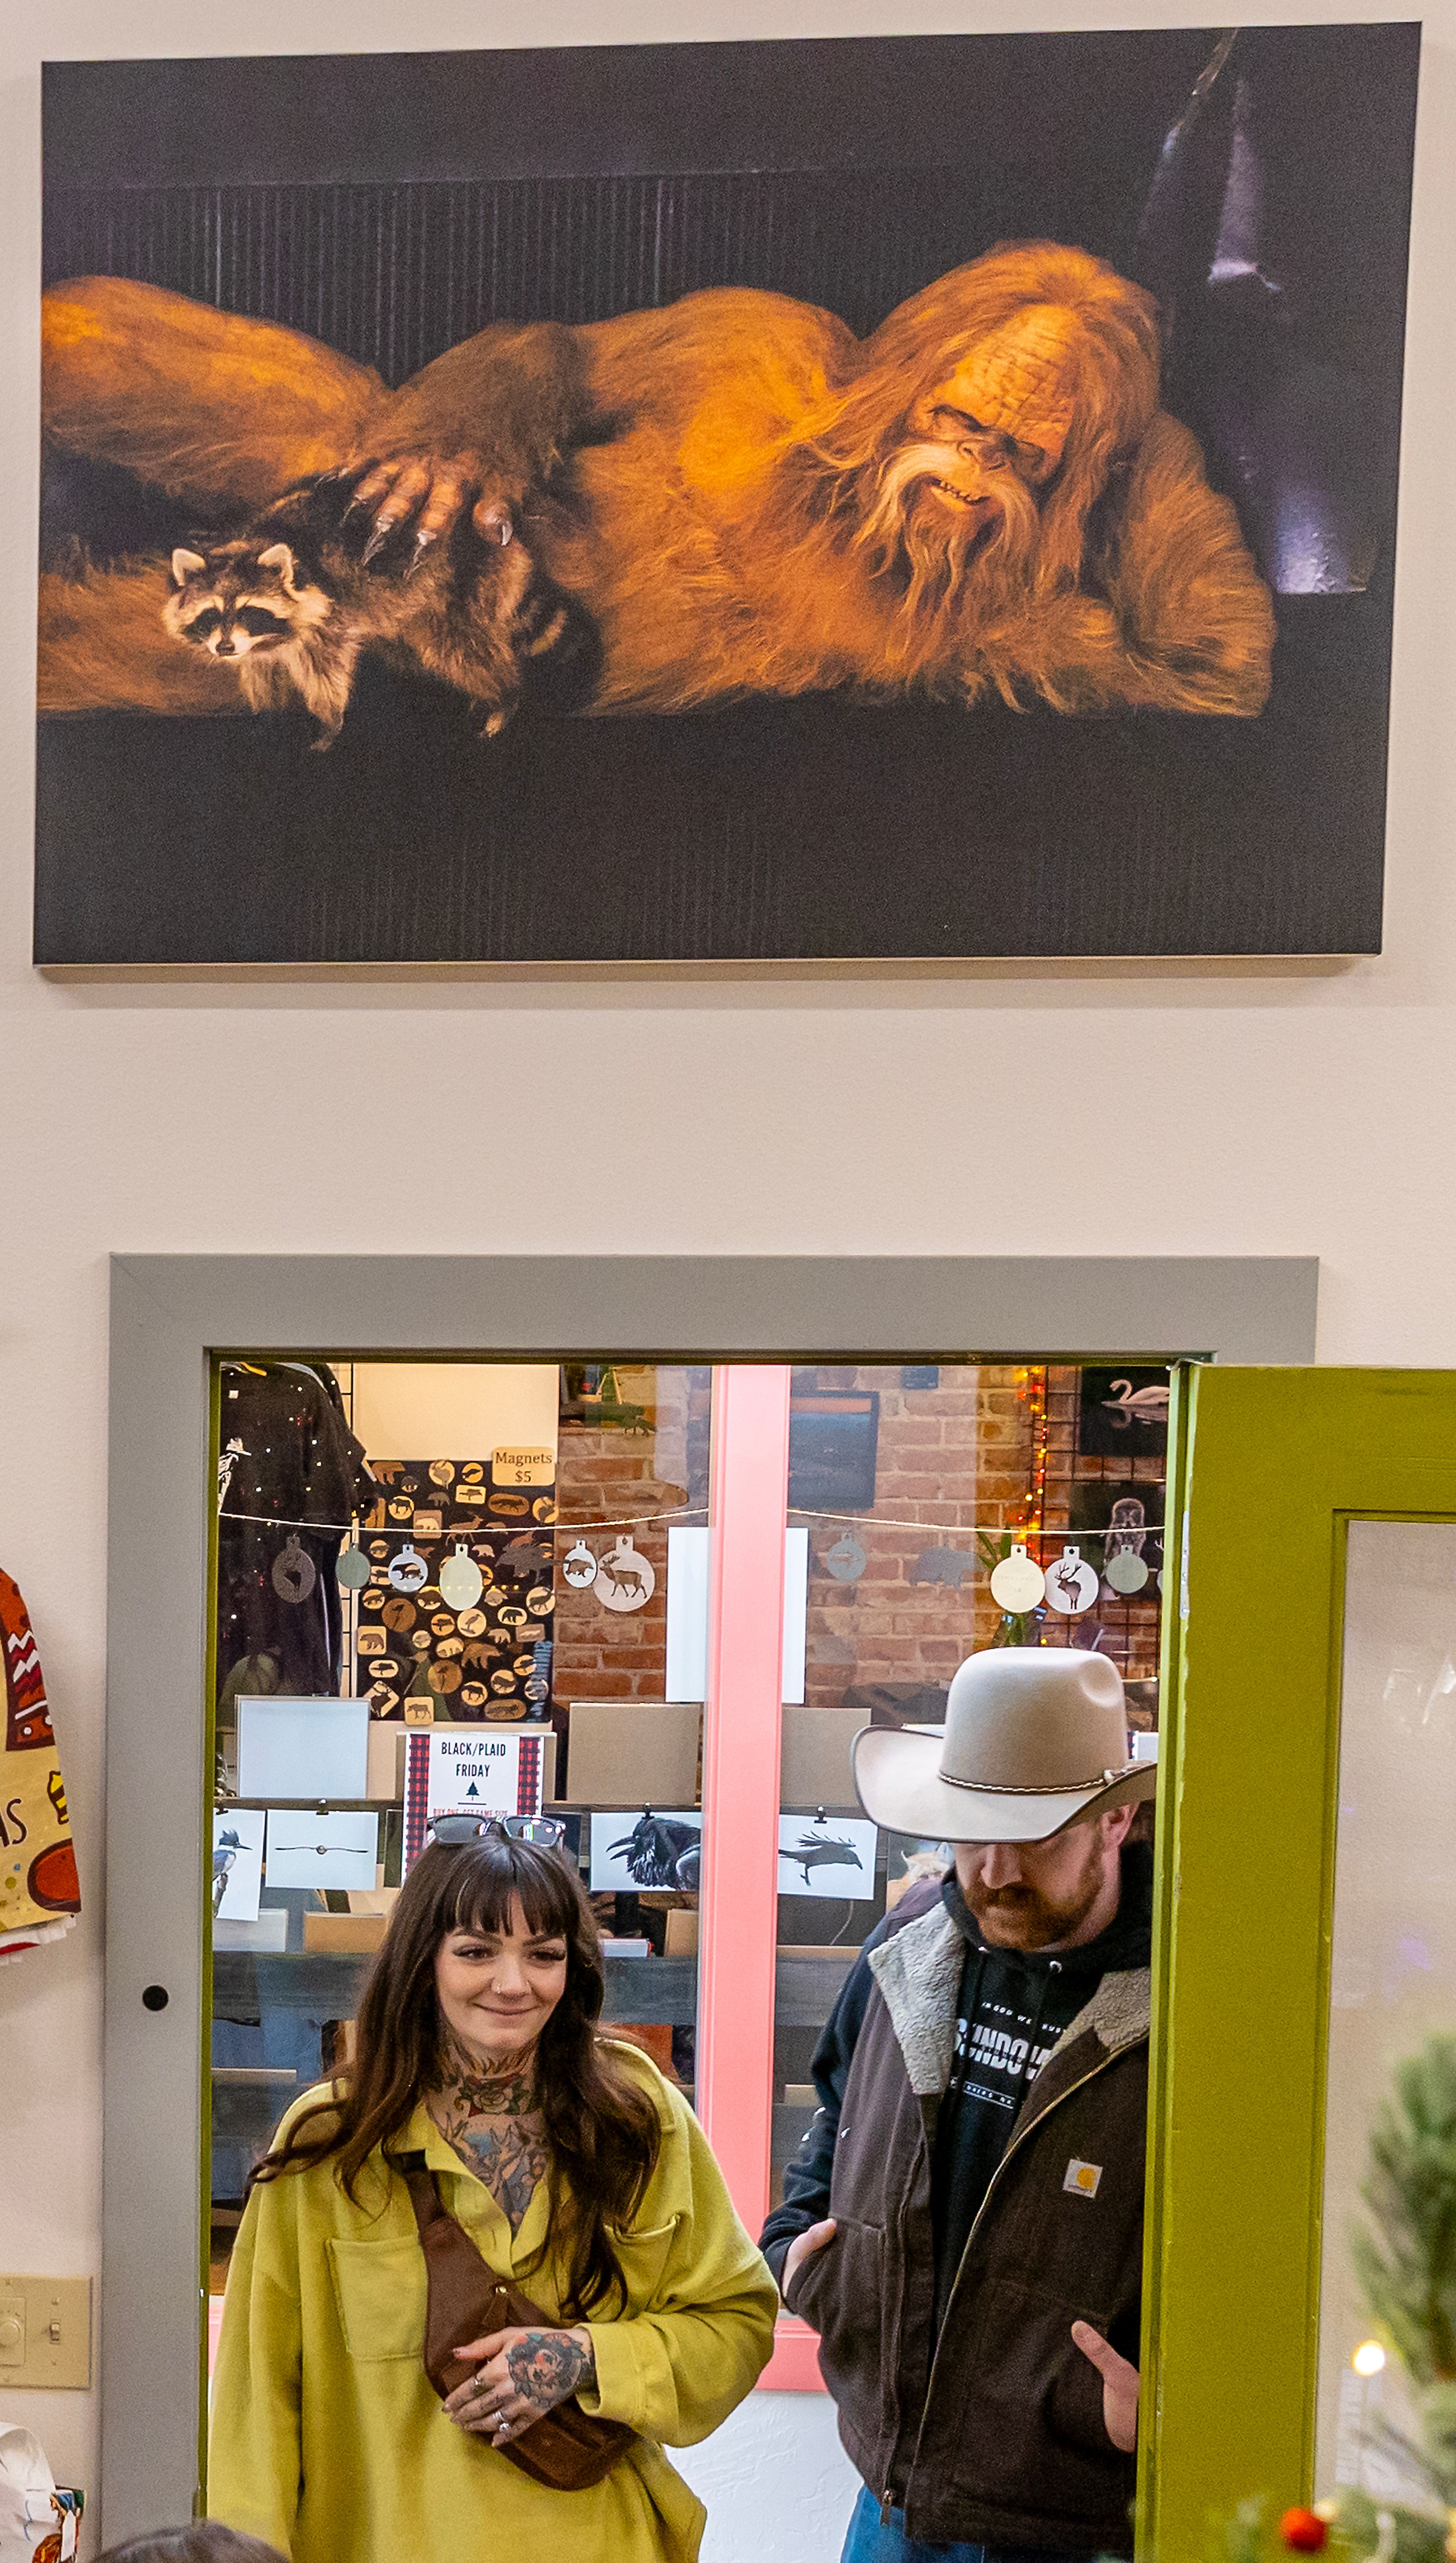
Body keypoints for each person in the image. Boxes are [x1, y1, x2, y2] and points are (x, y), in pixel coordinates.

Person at [210, 1823, 778, 2563]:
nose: (513, 1984)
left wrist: (586, 2355)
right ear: (425, 1962)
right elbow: (258, 2406)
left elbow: (735, 2322)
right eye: (477, 1950)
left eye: (543, 1955)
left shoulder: (636, 2115)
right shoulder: (331, 2143)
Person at [760, 1648, 1155, 2563]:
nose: (997, 1868)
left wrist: (1167, 2402)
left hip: (1077, 2524)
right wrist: (800, 2253)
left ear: (1116, 1819)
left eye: (1039, 1835)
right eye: (972, 1830)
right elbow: (834, 2111)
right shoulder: (910, 1947)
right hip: (892, 2503)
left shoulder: (1183, 2000)